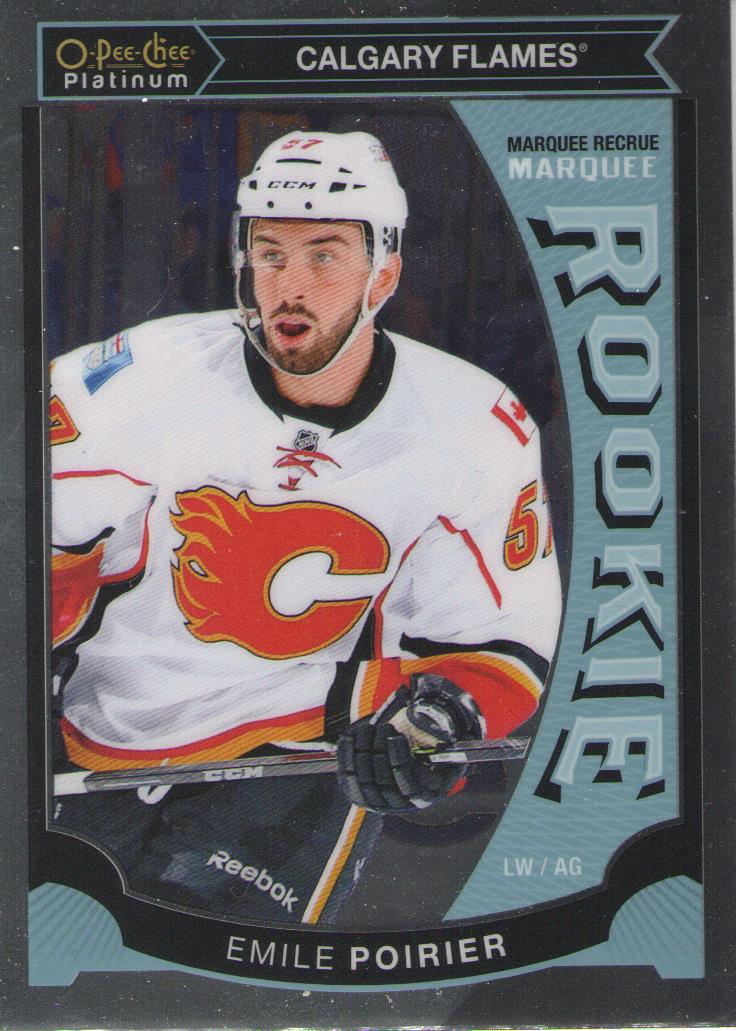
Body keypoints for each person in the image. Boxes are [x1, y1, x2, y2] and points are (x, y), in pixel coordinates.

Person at [49, 130, 562, 925]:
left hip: (304, 760)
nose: (289, 285)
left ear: (383, 271)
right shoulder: (129, 383)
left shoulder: (473, 429)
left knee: (204, 974)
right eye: (271, 254)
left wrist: (435, 725)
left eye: (324, 255)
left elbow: (500, 644)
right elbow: (42, 562)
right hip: (98, 733)